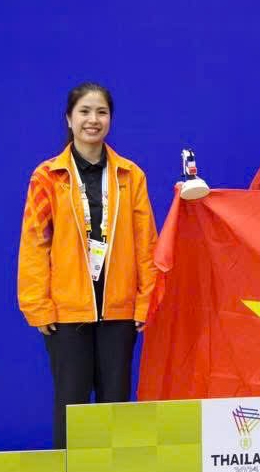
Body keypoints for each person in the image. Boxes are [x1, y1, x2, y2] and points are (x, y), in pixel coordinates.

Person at [18, 82, 157, 449]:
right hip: (67, 312)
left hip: (119, 309)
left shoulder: (130, 175)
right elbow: (34, 243)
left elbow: (146, 243)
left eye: (101, 112)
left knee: (115, 402)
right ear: (69, 118)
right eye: (84, 111)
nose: (93, 120)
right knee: (71, 403)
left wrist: (146, 301)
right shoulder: (47, 177)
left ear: (110, 119)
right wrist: (37, 304)